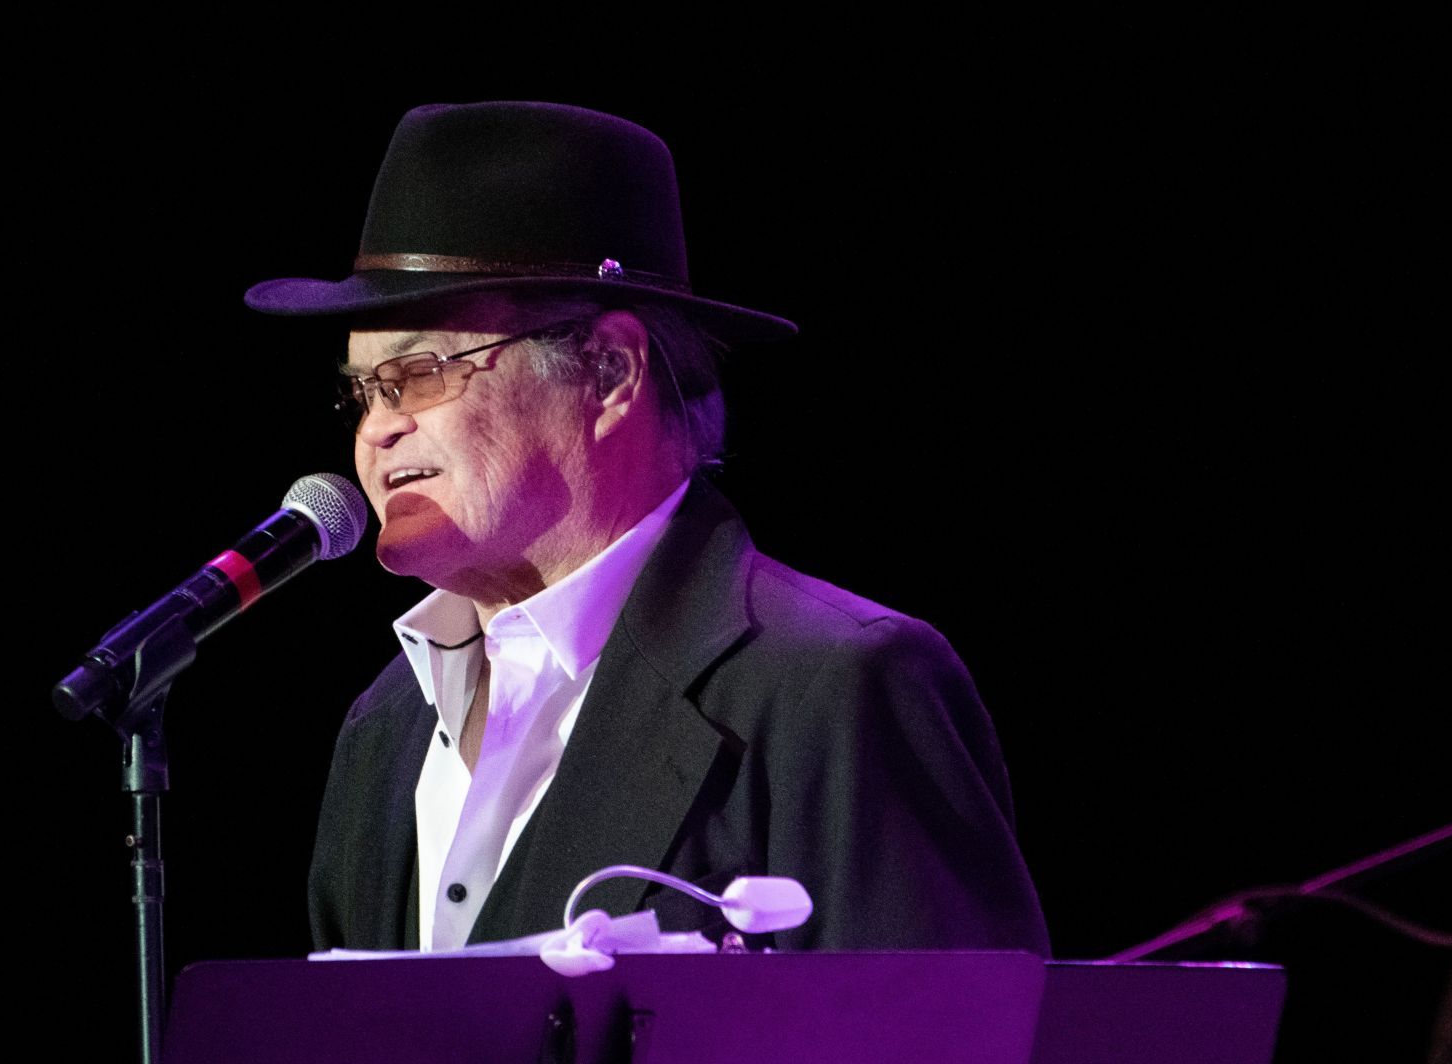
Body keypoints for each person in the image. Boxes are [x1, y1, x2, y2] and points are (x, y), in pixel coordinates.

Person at [245, 101, 1047, 955]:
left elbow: (949, 1038)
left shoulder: (834, 689)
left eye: (418, 373)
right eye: (362, 392)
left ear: (609, 373)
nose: (376, 429)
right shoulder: (383, 729)